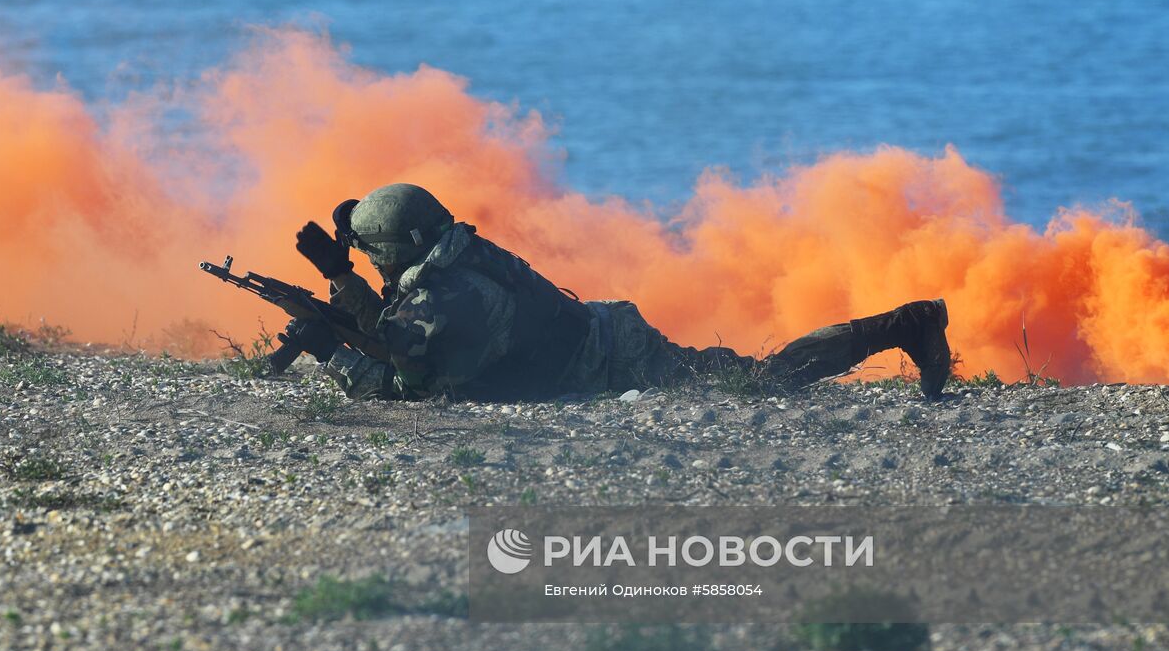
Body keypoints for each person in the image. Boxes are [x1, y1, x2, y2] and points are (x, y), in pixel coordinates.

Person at [283, 183, 951, 402]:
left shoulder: (451, 300)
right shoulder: (449, 258)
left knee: (765, 380)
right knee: (757, 373)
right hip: (603, 332)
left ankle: (906, 324)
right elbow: (400, 326)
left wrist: (327, 351)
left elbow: (406, 384)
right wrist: (338, 278)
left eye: (373, 254)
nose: (370, 261)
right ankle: (905, 324)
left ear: (398, 250)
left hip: (617, 359)